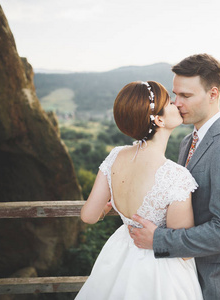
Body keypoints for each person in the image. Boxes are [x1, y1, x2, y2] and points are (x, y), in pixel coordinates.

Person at [129, 54, 220, 300]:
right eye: (175, 94)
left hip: (215, 280)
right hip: (183, 276)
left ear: (213, 94)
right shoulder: (188, 140)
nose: (177, 103)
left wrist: (158, 239)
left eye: (186, 96)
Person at [75, 81, 203, 299]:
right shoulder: (175, 176)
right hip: (159, 273)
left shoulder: (115, 156)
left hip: (119, 255)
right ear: (159, 119)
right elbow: (184, 253)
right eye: (170, 103)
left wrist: (108, 208)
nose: (176, 105)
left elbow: (88, 216)